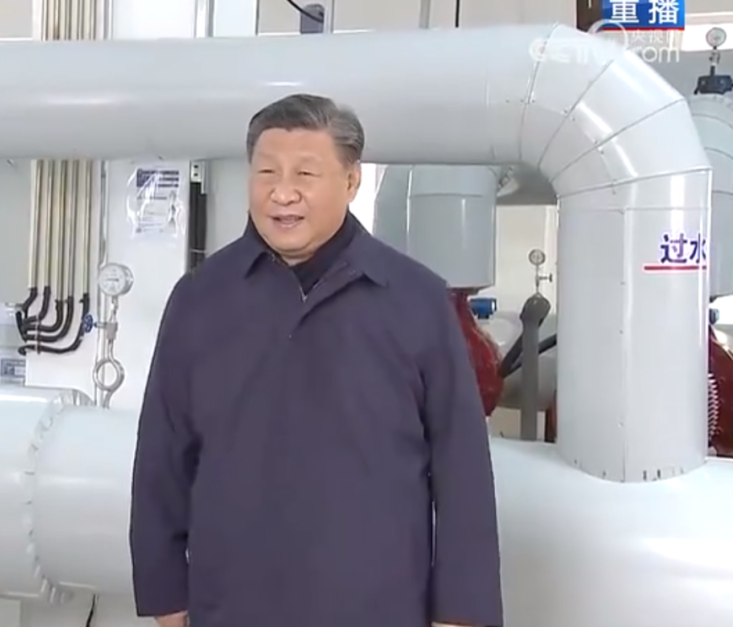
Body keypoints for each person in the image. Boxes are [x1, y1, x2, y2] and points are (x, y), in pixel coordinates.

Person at [129, 94, 502, 627]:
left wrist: (461, 613)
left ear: (351, 181)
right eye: (267, 173)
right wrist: (165, 596)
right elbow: (162, 459)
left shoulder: (415, 300)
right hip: (233, 606)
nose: (283, 193)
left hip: (378, 608)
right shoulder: (200, 299)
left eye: (305, 173)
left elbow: (461, 468)